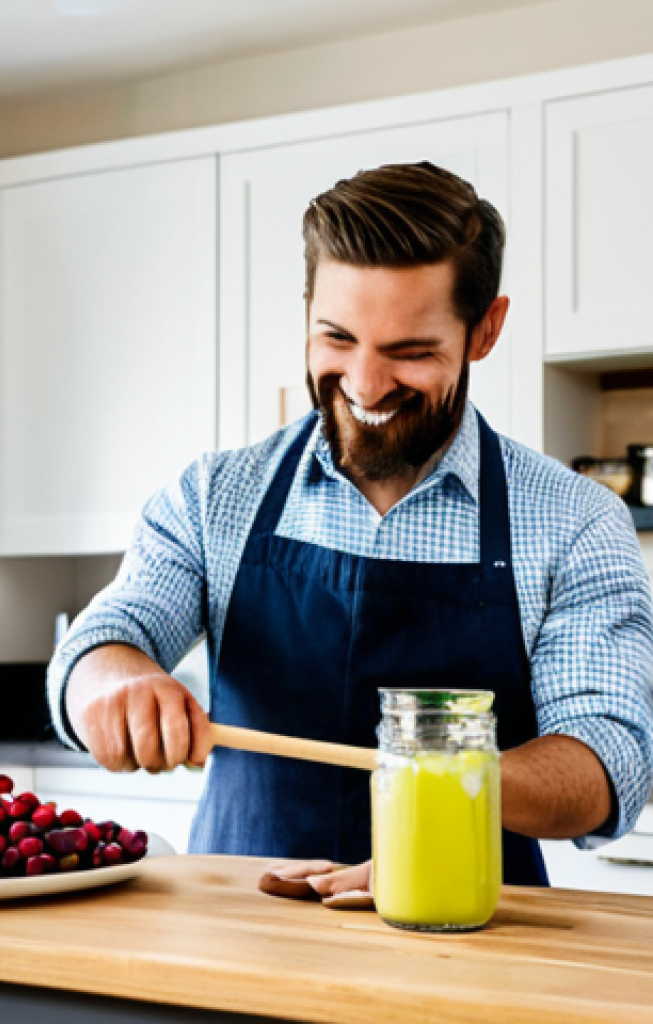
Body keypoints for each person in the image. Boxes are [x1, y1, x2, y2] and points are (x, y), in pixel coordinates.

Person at [46, 161, 653, 892]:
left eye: (411, 352)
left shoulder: (575, 520)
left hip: (462, 941)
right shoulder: (214, 495)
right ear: (306, 309)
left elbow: (607, 757)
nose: (365, 385)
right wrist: (115, 683)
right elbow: (98, 645)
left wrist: (432, 800)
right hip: (237, 935)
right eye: (337, 338)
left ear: (485, 329)